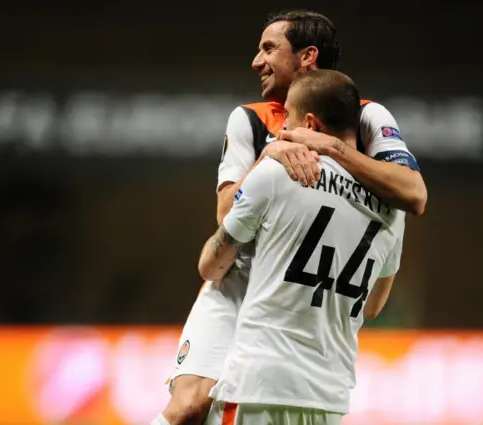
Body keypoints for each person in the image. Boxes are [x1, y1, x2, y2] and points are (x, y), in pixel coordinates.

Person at [150, 10, 425, 425]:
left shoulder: (364, 115)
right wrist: (266, 157)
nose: (256, 62)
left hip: (304, 296)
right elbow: (227, 216)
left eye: (269, 48)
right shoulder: (249, 118)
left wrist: (330, 147)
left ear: (307, 57)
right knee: (191, 406)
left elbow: (413, 193)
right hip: (241, 283)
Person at [199, 69, 405, 425]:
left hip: (259, 384)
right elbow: (373, 306)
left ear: (310, 124)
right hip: (328, 396)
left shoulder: (277, 173)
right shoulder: (393, 209)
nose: (282, 133)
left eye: (289, 121)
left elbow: (211, 266)